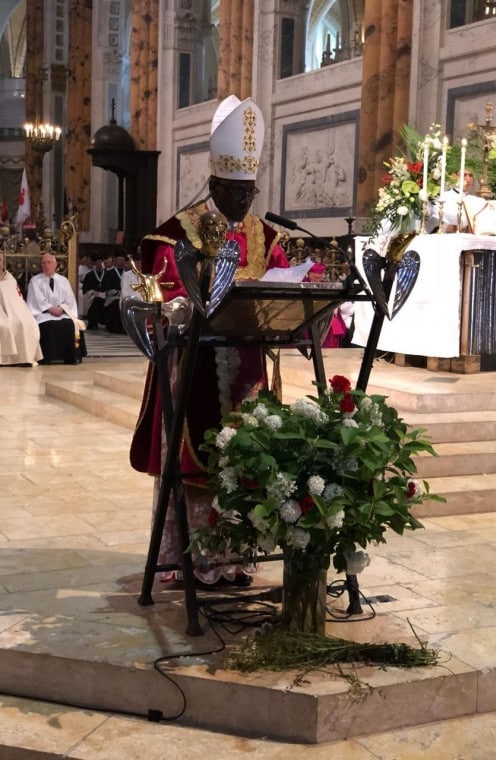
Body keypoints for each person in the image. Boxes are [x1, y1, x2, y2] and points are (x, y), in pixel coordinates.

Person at [130, 94, 291, 588]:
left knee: (245, 460)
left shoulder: (267, 236)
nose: (244, 204)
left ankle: (236, 558)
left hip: (247, 369)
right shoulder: (178, 233)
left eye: (250, 192)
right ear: (215, 183)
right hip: (195, 368)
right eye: (235, 193)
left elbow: (287, 287)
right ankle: (191, 558)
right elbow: (164, 293)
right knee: (198, 462)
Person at [26, 253, 86, 365]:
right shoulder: (35, 280)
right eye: (43, 263)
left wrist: (61, 309)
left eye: (49, 262)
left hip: (62, 312)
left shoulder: (63, 280)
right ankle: (47, 357)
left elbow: (69, 299)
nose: (46, 265)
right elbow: (37, 298)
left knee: (70, 325)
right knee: (49, 326)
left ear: (55, 265)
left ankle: (71, 357)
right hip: (43, 314)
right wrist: (50, 308)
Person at [82, 254, 107, 330]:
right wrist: (92, 291)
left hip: (106, 295)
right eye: (97, 262)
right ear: (94, 264)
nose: (99, 264)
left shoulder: (108, 274)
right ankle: (93, 324)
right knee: (96, 300)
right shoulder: (90, 275)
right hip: (94, 296)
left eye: (100, 262)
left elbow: (111, 286)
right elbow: (86, 288)